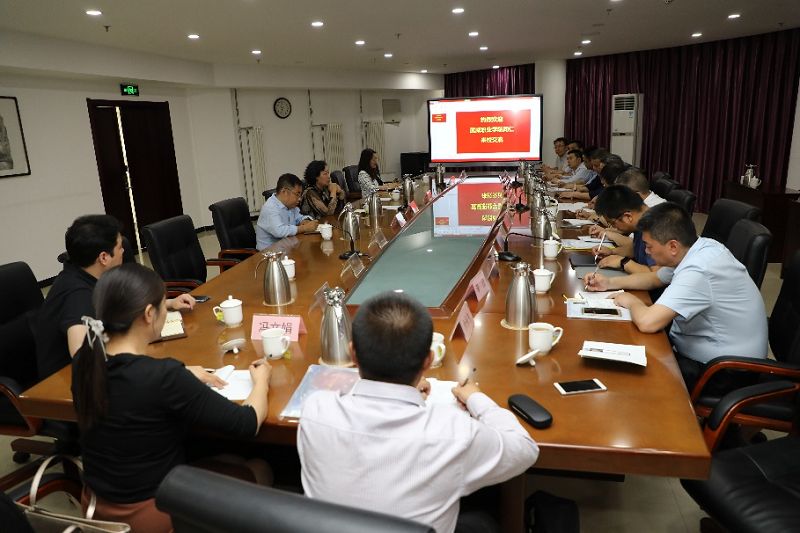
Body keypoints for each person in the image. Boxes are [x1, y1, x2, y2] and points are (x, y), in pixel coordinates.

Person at [298, 292, 539, 533]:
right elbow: (525, 449)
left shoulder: (315, 412)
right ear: (428, 360)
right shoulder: (454, 433)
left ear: (352, 354)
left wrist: (401, 391)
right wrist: (476, 398)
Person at [72, 263, 272, 532]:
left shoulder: (87, 360)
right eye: (164, 306)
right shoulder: (163, 377)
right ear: (148, 314)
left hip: (97, 504)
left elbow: (131, 385)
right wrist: (262, 380)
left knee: (231, 460)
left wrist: (183, 373)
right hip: (152, 512)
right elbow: (247, 423)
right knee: (260, 467)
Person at [585, 202, 768, 391]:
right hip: (710, 354)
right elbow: (654, 279)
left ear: (673, 246)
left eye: (649, 246)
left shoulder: (700, 269)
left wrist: (632, 302)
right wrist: (609, 283)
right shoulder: (699, 247)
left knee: (627, 379)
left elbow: (648, 322)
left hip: (726, 371)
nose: (646, 251)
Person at [36, 215, 195, 380]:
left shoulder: (87, 273)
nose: (123, 251)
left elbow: (120, 303)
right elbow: (83, 356)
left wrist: (168, 303)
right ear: (104, 257)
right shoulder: (77, 295)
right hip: (65, 383)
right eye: (120, 247)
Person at [590, 185, 658, 274]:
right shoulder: (640, 223)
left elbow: (656, 276)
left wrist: (623, 262)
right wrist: (612, 252)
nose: (614, 227)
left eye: (613, 223)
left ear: (628, 216)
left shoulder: (657, 227)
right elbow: (636, 250)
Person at [256, 173, 319, 249]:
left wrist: (306, 220)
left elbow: (299, 217)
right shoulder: (270, 208)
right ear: (284, 192)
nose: (299, 199)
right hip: (268, 253)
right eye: (297, 194)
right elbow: (279, 231)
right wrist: (304, 228)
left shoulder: (290, 205)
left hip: (287, 248)